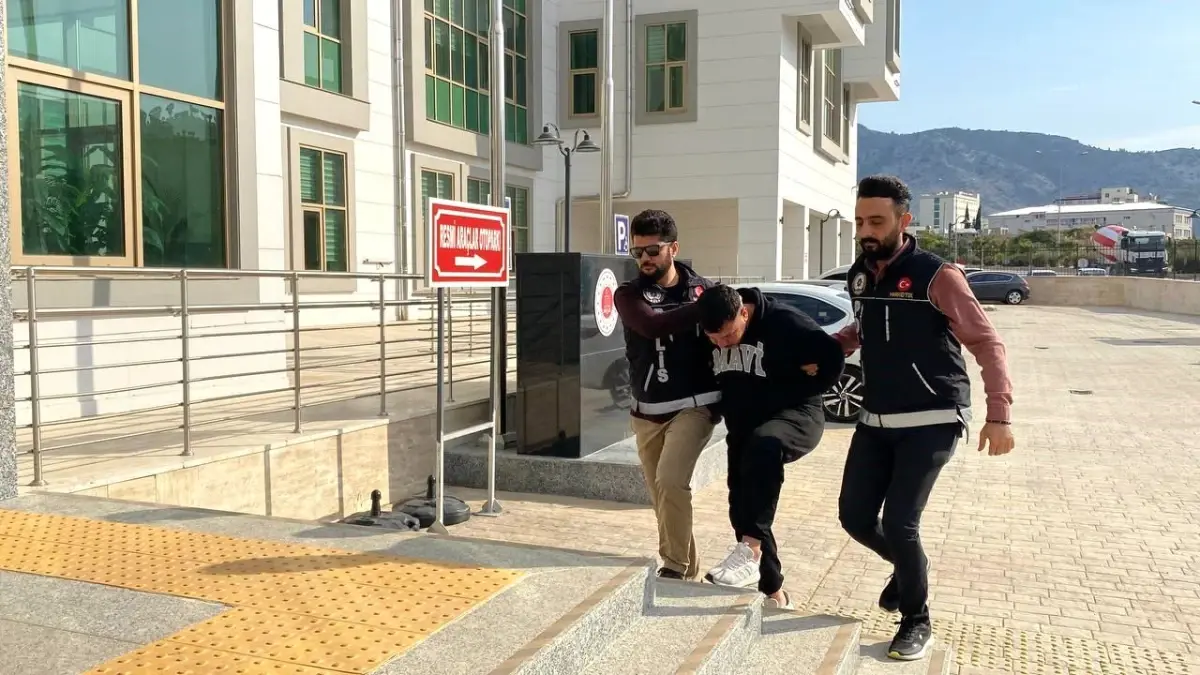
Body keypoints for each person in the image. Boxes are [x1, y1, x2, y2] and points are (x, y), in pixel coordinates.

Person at [834, 175, 1015, 661]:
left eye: (877, 221)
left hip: (933, 415)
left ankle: (917, 618)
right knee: (854, 517)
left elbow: (986, 342)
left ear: (904, 220)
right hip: (876, 418)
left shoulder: (937, 275)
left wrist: (999, 414)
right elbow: (863, 326)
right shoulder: (860, 274)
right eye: (860, 222)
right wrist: (829, 347)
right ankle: (910, 566)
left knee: (900, 523)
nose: (866, 231)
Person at [695, 284, 845, 609]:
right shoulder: (710, 329)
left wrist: (800, 382)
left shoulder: (785, 321)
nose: (723, 344)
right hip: (745, 429)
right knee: (743, 508)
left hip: (797, 415)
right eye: (715, 339)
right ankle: (774, 592)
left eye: (729, 335)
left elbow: (833, 357)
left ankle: (751, 551)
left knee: (765, 446)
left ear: (744, 313)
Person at [612, 209, 721, 581]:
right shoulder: (628, 294)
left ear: (673, 248)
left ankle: (673, 567)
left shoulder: (703, 289)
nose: (644, 258)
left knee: (671, 481)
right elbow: (652, 325)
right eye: (637, 252)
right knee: (661, 495)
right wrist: (704, 308)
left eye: (653, 250)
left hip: (695, 406)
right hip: (646, 411)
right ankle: (688, 568)